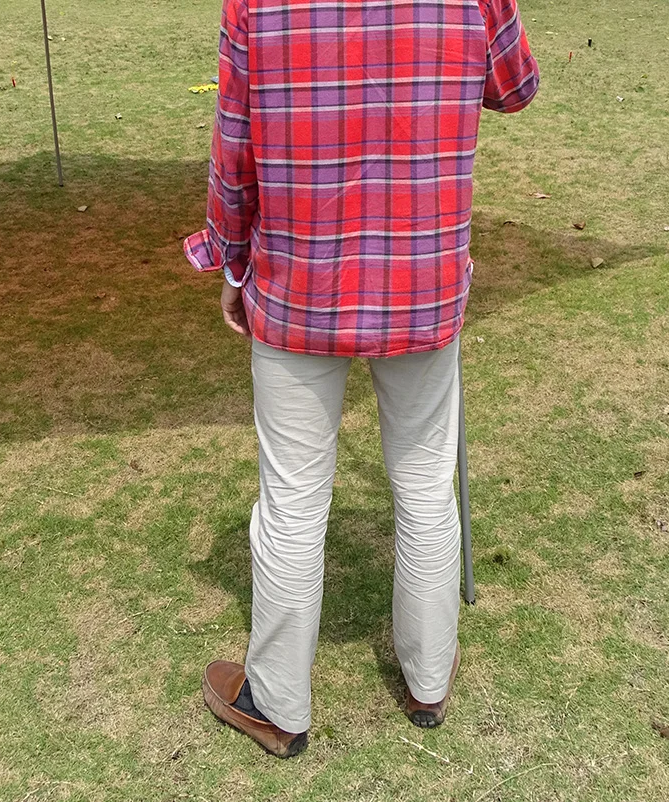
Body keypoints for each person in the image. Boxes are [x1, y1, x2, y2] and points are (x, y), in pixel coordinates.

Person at [184, 0, 539, 758]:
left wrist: (230, 259)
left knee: (293, 499)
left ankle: (279, 703)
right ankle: (428, 679)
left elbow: (232, 149)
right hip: (421, 275)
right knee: (424, 483)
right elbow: (514, 87)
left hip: (298, 280)